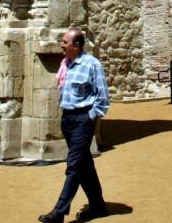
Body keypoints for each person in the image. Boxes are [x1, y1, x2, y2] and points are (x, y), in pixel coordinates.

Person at [39, 28, 109, 223]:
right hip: (67, 119)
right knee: (84, 164)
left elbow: (102, 98)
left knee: (73, 166)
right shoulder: (66, 64)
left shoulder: (92, 65)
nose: (61, 45)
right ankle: (98, 206)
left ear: (76, 46)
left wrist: (89, 118)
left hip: (82, 120)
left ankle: (59, 212)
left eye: (64, 42)